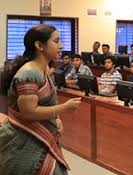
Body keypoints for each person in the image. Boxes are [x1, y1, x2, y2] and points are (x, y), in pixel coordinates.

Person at [0, 24, 81, 174]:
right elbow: (28, 113)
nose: (61, 45)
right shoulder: (28, 73)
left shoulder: (43, 71)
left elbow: (46, 102)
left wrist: (56, 118)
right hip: (24, 141)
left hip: (39, 138)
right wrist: (64, 108)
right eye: (56, 41)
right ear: (39, 45)